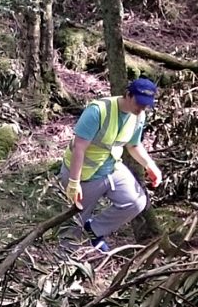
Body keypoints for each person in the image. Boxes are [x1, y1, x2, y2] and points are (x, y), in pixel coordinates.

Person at [59, 78, 162, 252]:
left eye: (146, 105)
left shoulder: (138, 116)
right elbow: (79, 148)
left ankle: (94, 230)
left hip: (112, 167)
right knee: (74, 224)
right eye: (140, 103)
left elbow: (133, 145)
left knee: (136, 202)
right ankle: (64, 263)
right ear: (128, 95)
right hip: (83, 173)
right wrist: (74, 182)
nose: (142, 108)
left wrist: (150, 166)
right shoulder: (98, 111)